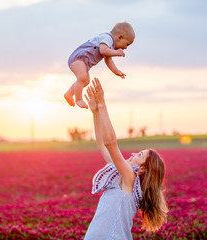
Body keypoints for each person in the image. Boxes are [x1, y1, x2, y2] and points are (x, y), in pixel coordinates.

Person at [83, 78, 168, 239]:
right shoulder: (121, 177)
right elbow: (102, 144)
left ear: (142, 169)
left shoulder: (130, 180)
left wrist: (103, 106)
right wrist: (95, 113)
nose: (133, 154)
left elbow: (110, 143)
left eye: (140, 155)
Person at [64, 22, 135, 109]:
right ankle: (78, 99)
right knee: (82, 77)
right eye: (127, 44)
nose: (126, 48)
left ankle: (69, 94)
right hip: (79, 58)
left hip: (85, 63)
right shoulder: (107, 38)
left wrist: (116, 71)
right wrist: (117, 53)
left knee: (86, 81)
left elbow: (109, 61)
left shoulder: (111, 47)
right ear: (120, 37)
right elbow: (103, 51)